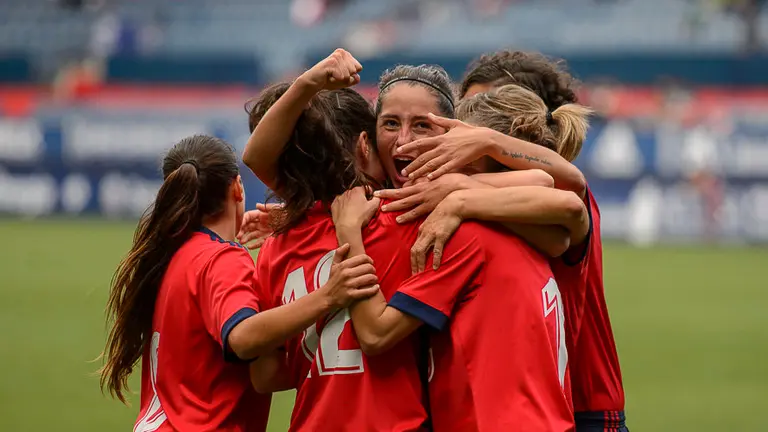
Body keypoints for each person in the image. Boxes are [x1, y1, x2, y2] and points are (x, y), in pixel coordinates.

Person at [243, 50, 574, 431]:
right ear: (367, 142)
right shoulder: (416, 225)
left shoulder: (280, 245)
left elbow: (267, 376)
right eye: (391, 124)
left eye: (421, 126)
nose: (403, 142)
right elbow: (562, 205)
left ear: (454, 136)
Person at [389, 50, 628, 432]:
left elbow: (568, 193)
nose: (463, 132)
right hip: (507, 403)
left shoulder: (557, 198)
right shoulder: (481, 197)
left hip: (581, 406)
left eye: (484, 119)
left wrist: (471, 177)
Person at [100, 134, 378, 431]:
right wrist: (328, 296)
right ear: (237, 187)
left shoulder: (173, 255)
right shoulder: (222, 258)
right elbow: (242, 338)